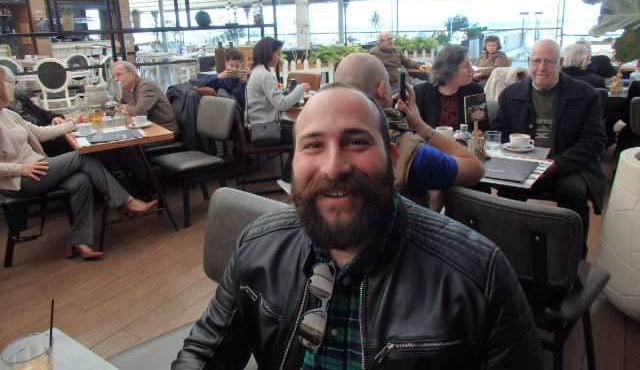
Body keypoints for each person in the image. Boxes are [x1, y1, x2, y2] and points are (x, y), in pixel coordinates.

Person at [172, 84, 543, 369]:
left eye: (356, 141)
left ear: (393, 160)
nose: (334, 167)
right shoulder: (257, 244)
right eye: (313, 145)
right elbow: (206, 351)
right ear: (293, 163)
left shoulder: (479, 275)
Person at [0, 66, 158, 260]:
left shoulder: (8, 114)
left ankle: (79, 240)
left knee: (81, 181)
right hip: (21, 180)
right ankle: (126, 202)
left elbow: (39, 133)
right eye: (7, 83)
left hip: (38, 166)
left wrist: (74, 124)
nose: (11, 86)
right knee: (82, 155)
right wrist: (19, 168)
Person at [492, 39, 607, 257]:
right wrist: (517, 154)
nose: (542, 68)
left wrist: (556, 164)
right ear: (528, 62)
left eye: (549, 62)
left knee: (572, 193)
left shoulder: (585, 94)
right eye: (536, 61)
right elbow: (501, 133)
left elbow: (593, 141)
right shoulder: (511, 94)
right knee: (506, 193)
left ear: (561, 63)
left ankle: (574, 256)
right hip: (523, 164)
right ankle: (509, 251)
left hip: (567, 166)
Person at [335, 52, 483, 208]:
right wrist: (419, 125)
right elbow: (475, 168)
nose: (471, 69)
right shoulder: (411, 153)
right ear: (383, 90)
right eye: (466, 65)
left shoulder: (323, 143)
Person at [245, 37, 310, 183]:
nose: (279, 58)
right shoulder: (266, 75)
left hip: (256, 126)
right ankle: (289, 178)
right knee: (302, 134)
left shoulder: (257, 71)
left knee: (298, 129)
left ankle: (294, 176)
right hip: (265, 129)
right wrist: (300, 89)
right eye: (278, 54)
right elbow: (282, 105)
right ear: (269, 53)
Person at [414, 45, 486, 130]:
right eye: (466, 66)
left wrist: (465, 134)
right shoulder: (420, 92)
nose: (472, 69)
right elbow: (414, 128)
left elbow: (482, 128)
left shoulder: (474, 91)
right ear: (449, 70)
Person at [4, 67, 71, 156]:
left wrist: (55, 117)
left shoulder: (19, 98)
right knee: (81, 148)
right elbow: (38, 134)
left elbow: (42, 113)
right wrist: (72, 124)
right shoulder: (6, 113)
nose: (13, 87)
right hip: (42, 146)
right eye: (9, 85)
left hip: (49, 134)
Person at [111, 61, 179, 133]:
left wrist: (127, 107)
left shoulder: (146, 85)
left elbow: (138, 113)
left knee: (121, 138)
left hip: (164, 130)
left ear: (132, 74)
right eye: (114, 76)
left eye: (118, 75)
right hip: (143, 128)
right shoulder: (125, 88)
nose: (116, 79)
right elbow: (119, 107)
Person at [192, 48, 248, 113]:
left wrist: (244, 83)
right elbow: (198, 83)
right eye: (231, 66)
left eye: (237, 67)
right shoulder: (221, 77)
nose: (234, 69)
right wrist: (217, 76)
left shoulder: (245, 79)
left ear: (241, 66)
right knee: (221, 91)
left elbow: (243, 102)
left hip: (239, 111)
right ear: (226, 64)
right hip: (223, 111)